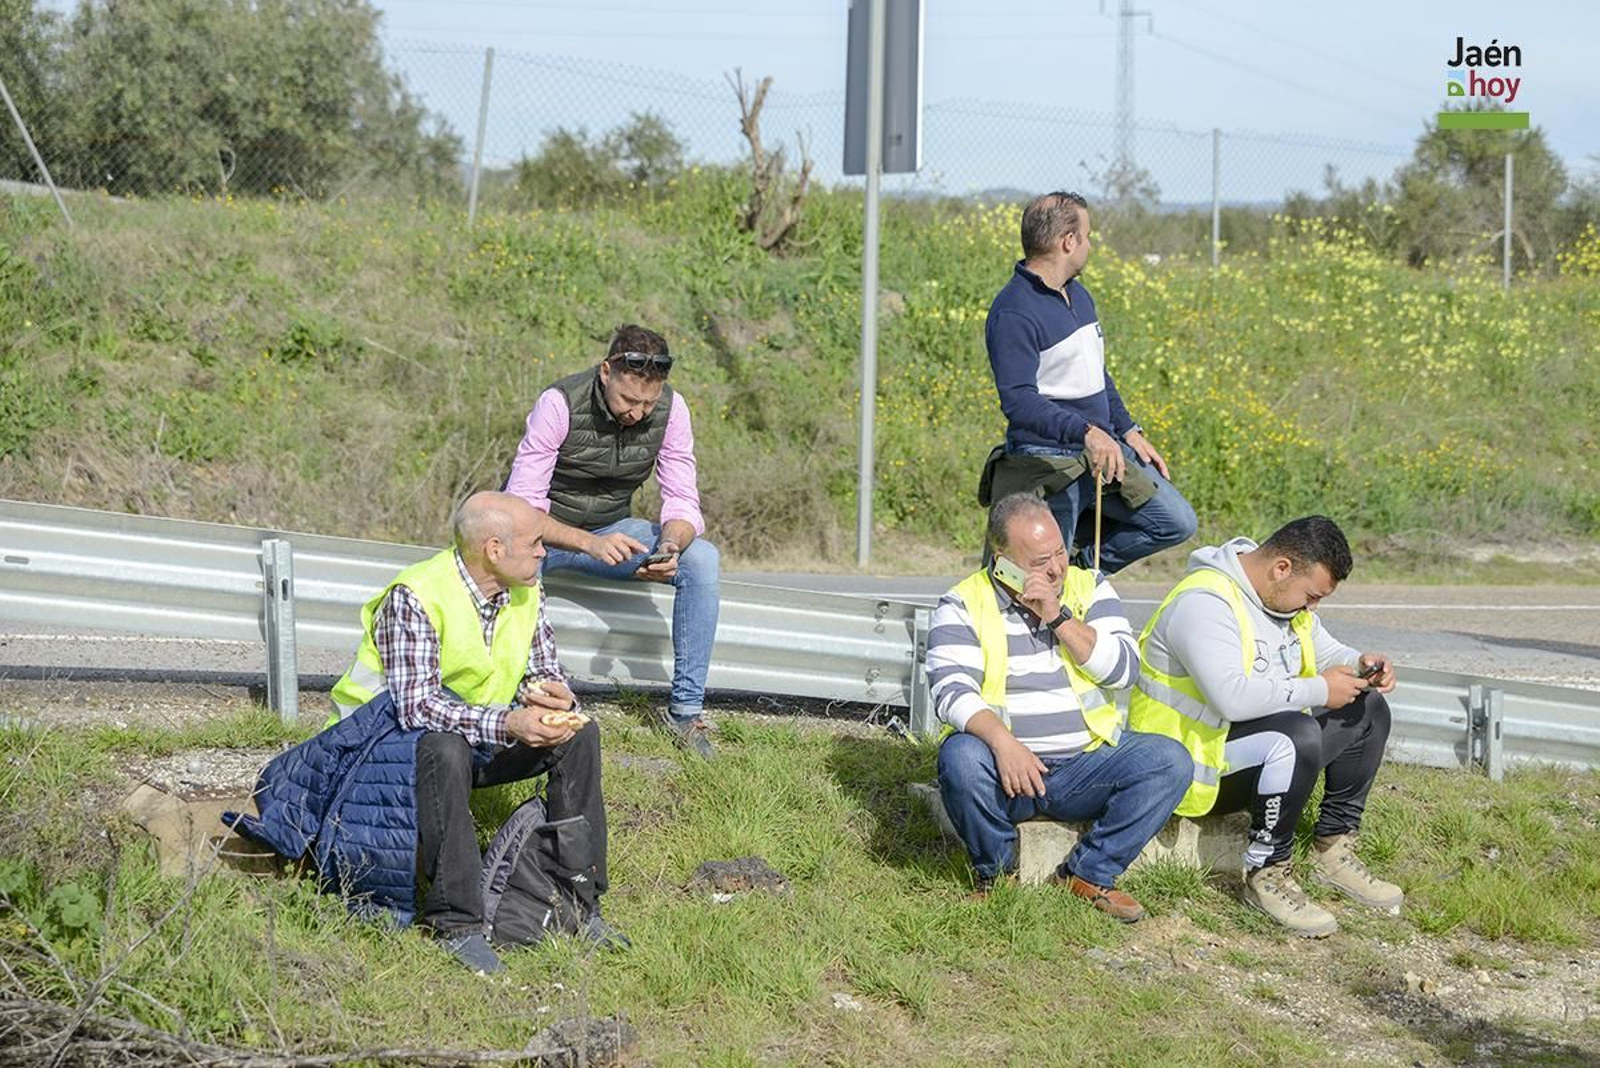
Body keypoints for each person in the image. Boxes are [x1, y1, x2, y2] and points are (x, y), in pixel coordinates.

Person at [233, 492, 619, 976]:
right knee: (444, 746)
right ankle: (456, 922)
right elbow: (415, 709)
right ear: (494, 549)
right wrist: (510, 723)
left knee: (580, 735)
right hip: (374, 751)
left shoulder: (525, 589)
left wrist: (555, 700)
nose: (544, 551)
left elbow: (540, 669)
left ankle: (579, 903)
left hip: (476, 734)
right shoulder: (415, 595)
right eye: (535, 542)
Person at [1129, 515, 1403, 938]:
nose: (1313, 607)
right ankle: (1266, 873)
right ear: (1282, 568)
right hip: (1189, 768)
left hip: (1248, 749)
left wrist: (1361, 664)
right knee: (1294, 735)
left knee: (1366, 708)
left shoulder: (1278, 596)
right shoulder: (1205, 602)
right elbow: (1231, 698)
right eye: (1312, 596)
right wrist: (1317, 689)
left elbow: (1324, 649)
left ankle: (1335, 848)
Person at [926, 492, 1193, 922]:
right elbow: (951, 691)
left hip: (1085, 765)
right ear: (1002, 560)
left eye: (1059, 553)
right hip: (1007, 771)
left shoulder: (1090, 587)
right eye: (1038, 562)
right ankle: (997, 876)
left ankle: (1088, 874)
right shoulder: (962, 603)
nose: (1055, 568)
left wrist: (1057, 615)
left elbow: (1124, 671)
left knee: (1170, 761)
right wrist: (1004, 745)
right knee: (960, 757)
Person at [506, 324, 720, 758]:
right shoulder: (559, 403)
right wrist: (587, 543)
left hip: (610, 531)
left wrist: (671, 547)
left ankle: (685, 713)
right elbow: (521, 511)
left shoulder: (672, 409)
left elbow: (682, 501)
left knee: (703, 560)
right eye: (629, 401)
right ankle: (518, 700)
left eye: (647, 403)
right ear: (606, 372)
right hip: (541, 535)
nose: (638, 413)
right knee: (513, 558)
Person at [984, 191, 1196, 573]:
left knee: (1176, 521)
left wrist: (1127, 429)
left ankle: (1083, 571)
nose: (1090, 245)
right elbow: (1018, 400)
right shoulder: (1013, 311)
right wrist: (1086, 432)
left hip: (1103, 450)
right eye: (1087, 236)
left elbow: (1095, 373)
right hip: (1050, 462)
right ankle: (1061, 591)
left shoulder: (1079, 296)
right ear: (1069, 242)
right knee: (1044, 576)